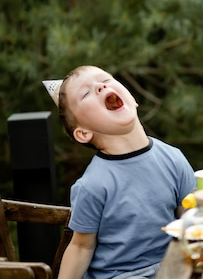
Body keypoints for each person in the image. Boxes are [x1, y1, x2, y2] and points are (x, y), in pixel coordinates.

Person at [46, 65, 195, 279]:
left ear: (132, 98)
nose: (100, 86)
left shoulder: (173, 158)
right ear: (84, 133)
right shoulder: (92, 184)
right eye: (86, 93)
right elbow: (81, 248)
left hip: (174, 268)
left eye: (105, 79)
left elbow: (191, 219)